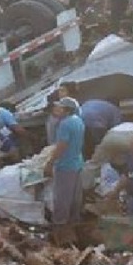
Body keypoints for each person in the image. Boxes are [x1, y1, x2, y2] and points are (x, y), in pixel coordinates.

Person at [47, 96, 87, 245]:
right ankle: (74, 222)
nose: (57, 109)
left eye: (60, 107)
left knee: (62, 197)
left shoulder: (65, 124)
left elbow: (62, 146)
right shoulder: (78, 121)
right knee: (75, 196)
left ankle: (60, 226)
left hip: (65, 164)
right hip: (77, 162)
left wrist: (50, 163)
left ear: (66, 110)